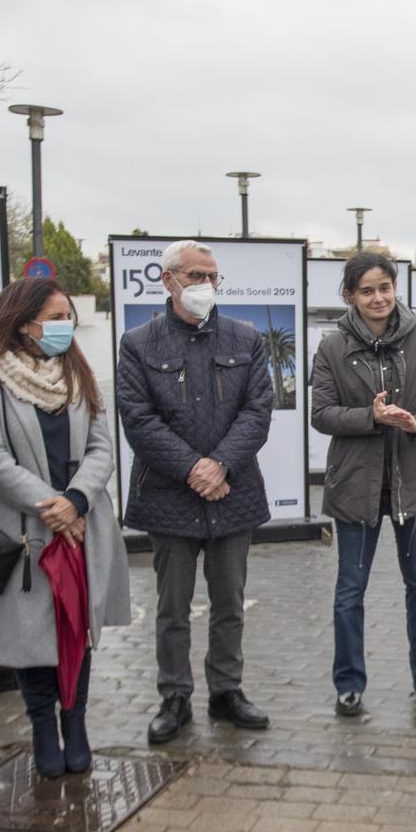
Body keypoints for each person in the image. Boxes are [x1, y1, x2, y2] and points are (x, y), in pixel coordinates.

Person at [0, 277, 132, 777]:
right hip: (25, 529)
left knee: (76, 630)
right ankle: (42, 726)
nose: (65, 327)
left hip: (82, 526)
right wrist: (50, 505)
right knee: (31, 636)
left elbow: (103, 448)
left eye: (68, 317)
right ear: (22, 324)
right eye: (55, 318)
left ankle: (75, 722)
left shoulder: (79, 374)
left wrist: (77, 500)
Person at [118, 240, 274, 742]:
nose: (206, 286)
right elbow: (138, 420)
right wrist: (193, 468)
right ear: (167, 280)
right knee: (172, 606)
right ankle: (175, 696)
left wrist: (221, 464)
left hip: (233, 491)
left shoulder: (245, 339)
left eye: (213, 277)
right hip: (170, 495)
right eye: (196, 276)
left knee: (230, 602)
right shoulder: (138, 343)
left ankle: (226, 691)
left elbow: (257, 411)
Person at [309, 251, 416, 718]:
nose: (378, 298)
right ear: (350, 295)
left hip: (414, 484)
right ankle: (349, 683)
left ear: (396, 288)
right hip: (356, 486)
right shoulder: (332, 348)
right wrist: (368, 417)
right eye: (367, 290)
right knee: (350, 589)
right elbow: (321, 414)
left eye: (385, 288)